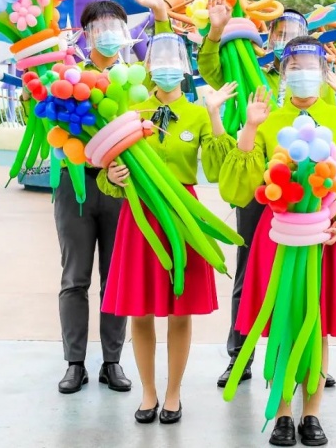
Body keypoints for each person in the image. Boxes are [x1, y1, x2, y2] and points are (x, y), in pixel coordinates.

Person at [218, 36, 336, 446]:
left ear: (323, 72)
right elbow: (240, 188)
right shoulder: (268, 118)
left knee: (316, 324)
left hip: (325, 237)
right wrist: (250, 127)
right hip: (280, 237)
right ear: (284, 73)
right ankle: (283, 412)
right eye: (295, 67)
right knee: (283, 321)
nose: (303, 74)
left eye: (310, 66)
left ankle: (312, 412)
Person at [198, 0, 336, 388]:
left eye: (294, 32)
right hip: (259, 187)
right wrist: (215, 32)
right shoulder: (254, 73)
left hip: (308, 196)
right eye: (280, 32)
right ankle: (240, 356)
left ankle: (310, 356)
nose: (286, 39)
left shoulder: (319, 86)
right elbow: (211, 68)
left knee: (307, 274)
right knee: (249, 271)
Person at [99, 32, 237, 424]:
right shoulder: (131, 110)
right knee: (140, 311)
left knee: (180, 311)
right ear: (147, 68)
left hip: (182, 215)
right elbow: (109, 173)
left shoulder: (197, 113)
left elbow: (216, 169)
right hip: (140, 216)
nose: (166, 69)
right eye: (158, 62)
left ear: (185, 69)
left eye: (173, 62)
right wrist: (112, 175)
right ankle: (148, 392)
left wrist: (214, 115)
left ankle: (173, 393)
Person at [55, 0, 172, 395]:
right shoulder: (68, 75)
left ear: (124, 32)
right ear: (86, 34)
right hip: (77, 186)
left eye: (114, 25)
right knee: (75, 277)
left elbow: (168, 62)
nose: (106, 33)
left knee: (115, 277)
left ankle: (112, 362)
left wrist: (161, 15)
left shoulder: (137, 80)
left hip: (123, 189)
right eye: (98, 26)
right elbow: (50, 123)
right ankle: (74, 363)